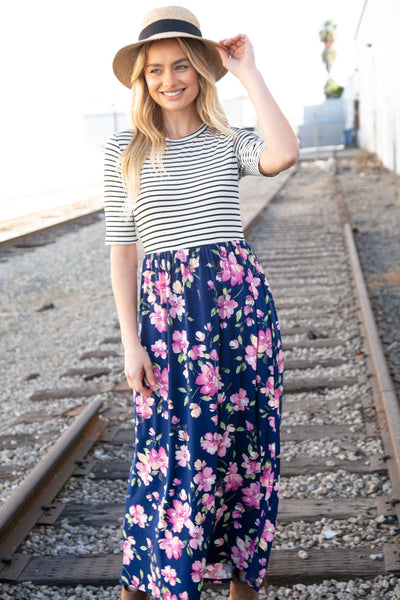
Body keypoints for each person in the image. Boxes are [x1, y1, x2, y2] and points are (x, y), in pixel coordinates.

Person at [104, 6, 299, 600]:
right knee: (167, 451)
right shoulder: (125, 151)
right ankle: (151, 578)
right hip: (167, 321)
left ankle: (244, 583)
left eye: (183, 65)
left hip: (240, 312)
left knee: (245, 447)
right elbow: (122, 252)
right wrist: (130, 341)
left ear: (201, 72)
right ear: (142, 79)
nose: (169, 79)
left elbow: (285, 153)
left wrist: (249, 73)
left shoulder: (227, 140)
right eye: (156, 69)